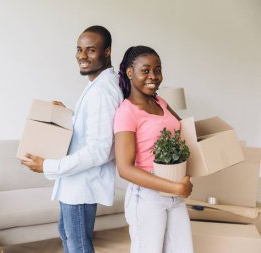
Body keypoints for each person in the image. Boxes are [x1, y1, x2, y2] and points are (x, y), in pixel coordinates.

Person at [21, 25, 123, 253]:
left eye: (90, 50)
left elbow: (100, 149)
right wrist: (68, 114)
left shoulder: (102, 92)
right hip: (75, 184)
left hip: (81, 185)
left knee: (77, 245)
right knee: (68, 236)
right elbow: (92, 128)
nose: (82, 56)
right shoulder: (98, 85)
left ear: (107, 52)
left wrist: (48, 166)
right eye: (79, 49)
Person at [113, 46, 194, 253]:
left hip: (175, 192)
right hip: (148, 196)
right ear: (130, 73)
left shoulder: (161, 102)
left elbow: (186, 134)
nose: (153, 76)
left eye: (157, 70)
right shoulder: (126, 112)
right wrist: (175, 188)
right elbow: (125, 169)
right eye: (145, 70)